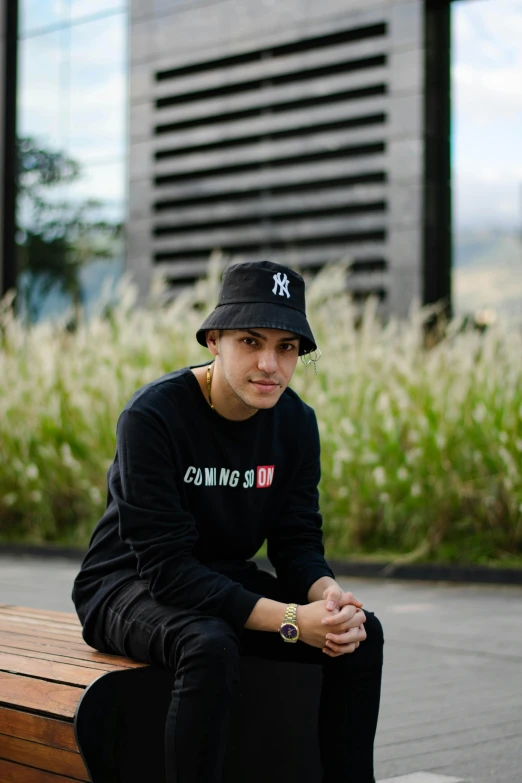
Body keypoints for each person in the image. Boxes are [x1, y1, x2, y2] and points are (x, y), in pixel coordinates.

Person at [72, 259, 384, 783]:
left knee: (360, 634)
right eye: (251, 341)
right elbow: (167, 570)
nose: (269, 364)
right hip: (127, 583)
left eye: (286, 347)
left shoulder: (296, 425)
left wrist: (328, 600)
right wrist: (290, 620)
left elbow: (296, 543)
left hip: (220, 579)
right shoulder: (153, 416)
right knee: (208, 644)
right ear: (214, 340)